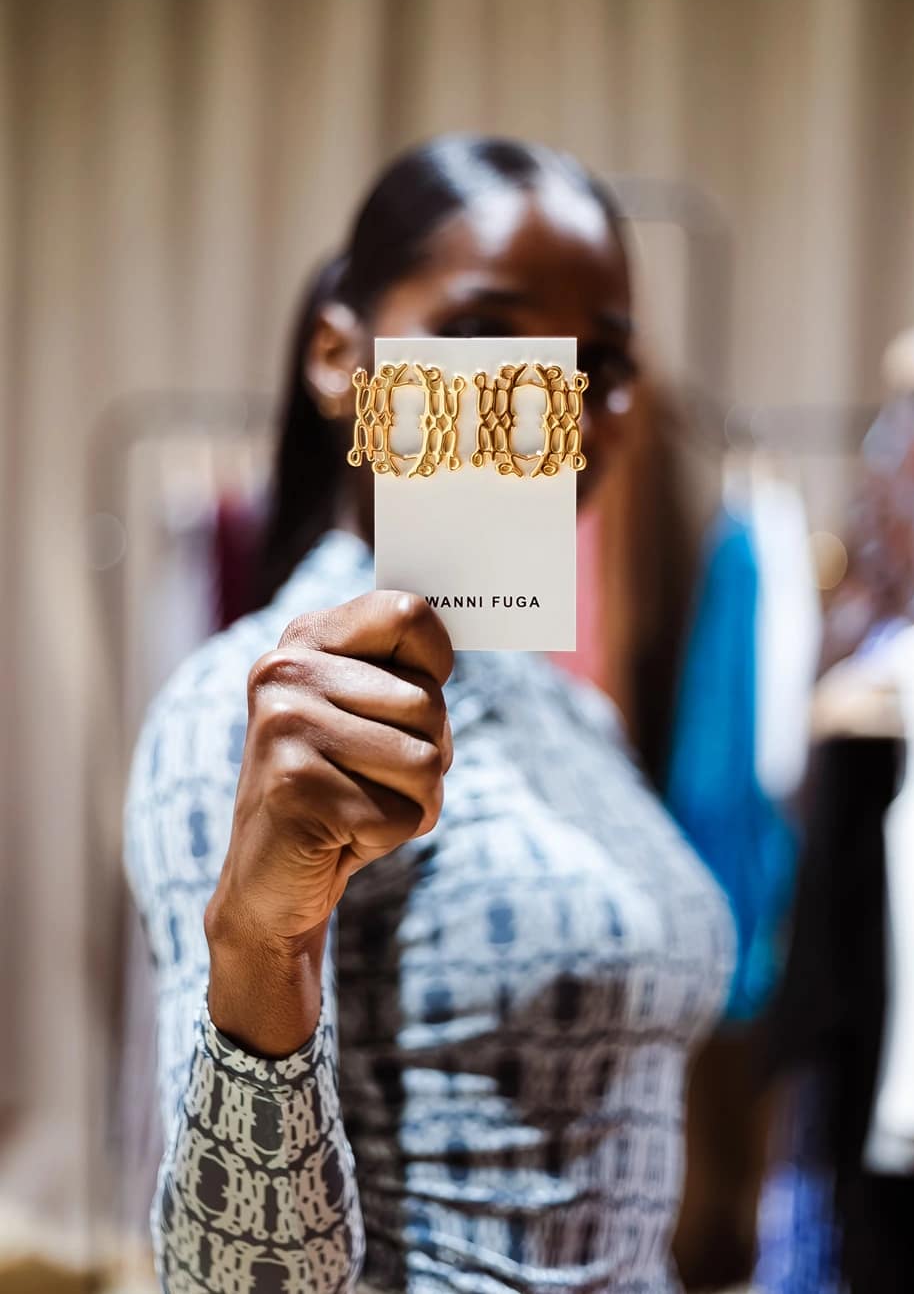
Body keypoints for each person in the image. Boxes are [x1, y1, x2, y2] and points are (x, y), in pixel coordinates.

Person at [125, 135, 735, 1294]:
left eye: (600, 365)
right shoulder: (248, 711)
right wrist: (261, 944)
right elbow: (228, 1281)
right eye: (483, 335)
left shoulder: (575, 715)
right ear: (336, 355)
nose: (549, 403)